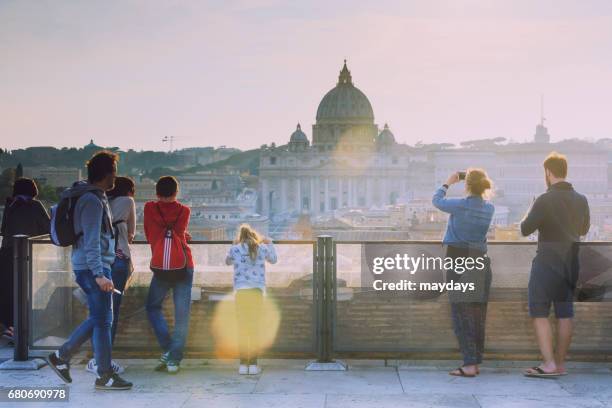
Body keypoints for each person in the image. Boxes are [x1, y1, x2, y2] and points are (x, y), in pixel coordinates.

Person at [48, 151, 133, 390]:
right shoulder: (92, 201)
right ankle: (93, 370)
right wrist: (99, 274)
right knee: (103, 319)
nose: (116, 176)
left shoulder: (96, 197)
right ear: (106, 174)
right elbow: (92, 241)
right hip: (91, 267)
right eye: (114, 171)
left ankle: (73, 362)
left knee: (101, 319)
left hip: (91, 265)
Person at [521, 152, 590, 378]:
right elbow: (583, 230)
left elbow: (525, 229)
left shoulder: (544, 199)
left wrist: (532, 207)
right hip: (571, 262)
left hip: (547, 263)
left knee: (539, 313)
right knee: (565, 314)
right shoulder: (582, 199)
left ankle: (548, 364)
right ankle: (559, 365)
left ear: (548, 172)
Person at [432, 169, 495, 378]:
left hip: (459, 259)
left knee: (461, 313)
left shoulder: (460, 205)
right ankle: (475, 361)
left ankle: (469, 364)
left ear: (467, 185)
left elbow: (437, 200)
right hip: (480, 260)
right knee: (478, 314)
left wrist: (448, 182)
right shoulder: (489, 208)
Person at [86, 176, 136, 375]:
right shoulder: (128, 202)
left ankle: (96, 358)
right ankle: (103, 360)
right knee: (112, 312)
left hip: (101, 260)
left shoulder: (101, 201)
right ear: (129, 190)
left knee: (99, 310)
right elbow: (132, 233)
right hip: (120, 259)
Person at [144, 176, 194, 374]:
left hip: (162, 267)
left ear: (156, 192)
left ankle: (168, 349)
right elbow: (180, 233)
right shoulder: (184, 210)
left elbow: (149, 233)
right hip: (183, 265)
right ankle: (174, 359)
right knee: (182, 315)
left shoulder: (149, 208)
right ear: (176, 192)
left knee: (152, 306)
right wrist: (181, 238)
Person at [0, 178, 50, 342]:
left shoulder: (10, 204)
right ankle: (22, 329)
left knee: (9, 291)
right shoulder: (35, 205)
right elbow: (47, 228)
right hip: (28, 253)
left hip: (7, 253)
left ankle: (10, 327)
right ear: (33, 190)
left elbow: (4, 229)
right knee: (26, 291)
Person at [225, 224, 277, 375]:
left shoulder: (235, 249)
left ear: (240, 237)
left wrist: (234, 246)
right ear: (254, 236)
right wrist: (270, 243)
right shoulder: (261, 248)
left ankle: (243, 365)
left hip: (241, 292)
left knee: (242, 328)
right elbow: (273, 260)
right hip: (257, 292)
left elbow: (227, 262)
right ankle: (253, 365)